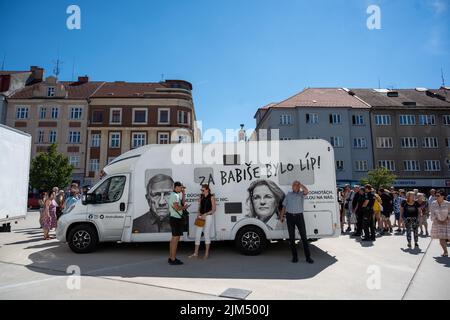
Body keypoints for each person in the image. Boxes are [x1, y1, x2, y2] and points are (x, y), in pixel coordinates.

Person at [280, 181, 313, 264]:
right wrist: (281, 216)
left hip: (299, 217)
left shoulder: (301, 194)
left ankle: (308, 257)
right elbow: (284, 206)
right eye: (293, 185)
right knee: (292, 238)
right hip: (290, 217)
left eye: (295, 185)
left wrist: (300, 184)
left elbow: (306, 191)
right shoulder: (288, 194)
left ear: (298, 187)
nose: (293, 186)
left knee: (304, 237)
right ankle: (295, 257)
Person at [189, 184, 216, 259]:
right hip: (201, 217)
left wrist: (206, 214)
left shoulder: (212, 197)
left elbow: (214, 209)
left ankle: (206, 253)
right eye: (201, 190)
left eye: (203, 190)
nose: (201, 191)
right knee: (198, 234)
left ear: (207, 189)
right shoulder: (201, 196)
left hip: (208, 217)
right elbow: (199, 206)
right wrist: (198, 213)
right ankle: (195, 253)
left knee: (206, 234)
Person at [168, 181, 189, 265]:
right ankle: (173, 259)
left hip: (173, 219)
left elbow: (182, 202)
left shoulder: (174, 195)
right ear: (176, 187)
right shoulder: (175, 196)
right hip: (176, 219)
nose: (181, 188)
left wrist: (183, 193)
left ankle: (171, 257)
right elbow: (177, 208)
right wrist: (184, 207)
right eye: (181, 187)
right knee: (175, 240)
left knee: (173, 240)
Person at [430, 190, 450, 257]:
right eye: (436, 195)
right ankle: (445, 252)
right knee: (441, 238)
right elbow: (432, 213)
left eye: (438, 196)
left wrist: (446, 219)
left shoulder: (448, 203)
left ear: (443, 196)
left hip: (447, 223)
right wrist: (438, 220)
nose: (436, 197)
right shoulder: (433, 203)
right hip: (437, 223)